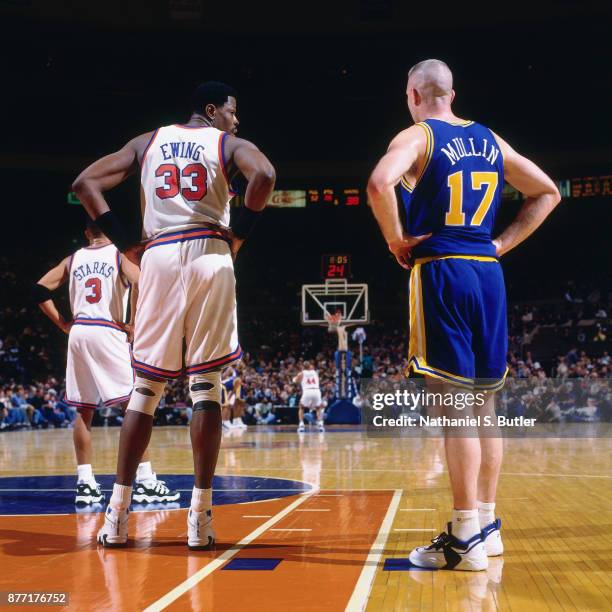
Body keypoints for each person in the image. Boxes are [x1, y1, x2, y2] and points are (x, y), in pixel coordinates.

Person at [367, 59, 560, 571]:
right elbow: (548, 192)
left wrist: (394, 239)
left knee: (453, 407)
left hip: (443, 270)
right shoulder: (490, 139)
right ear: (453, 93)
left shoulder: (417, 136)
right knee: (484, 407)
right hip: (487, 272)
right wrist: (501, 243)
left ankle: (464, 534)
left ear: (413, 94)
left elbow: (378, 184)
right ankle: (488, 526)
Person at [72, 81, 275, 548]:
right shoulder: (227, 143)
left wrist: (127, 244)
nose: (237, 119)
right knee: (207, 385)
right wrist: (238, 236)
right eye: (232, 110)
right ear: (211, 110)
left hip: (159, 255)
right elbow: (263, 174)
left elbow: (85, 184)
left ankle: (116, 517)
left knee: (146, 389)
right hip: (210, 251)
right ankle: (199, 519)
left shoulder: (147, 142)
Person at [34, 221, 180, 506]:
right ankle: (146, 480)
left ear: (87, 232)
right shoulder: (118, 255)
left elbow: (39, 290)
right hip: (107, 328)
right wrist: (135, 322)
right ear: (111, 232)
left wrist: (62, 323)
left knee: (83, 410)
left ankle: (85, 483)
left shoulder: (72, 259)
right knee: (134, 406)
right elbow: (141, 281)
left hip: (79, 332)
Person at [293, 361, 324, 432]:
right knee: (318, 408)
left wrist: (294, 379)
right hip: (316, 391)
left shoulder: (301, 373)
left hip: (307, 391)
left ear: (303, 367)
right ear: (310, 366)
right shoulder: (315, 372)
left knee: (301, 407)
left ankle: (301, 425)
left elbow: (295, 381)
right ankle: (320, 424)